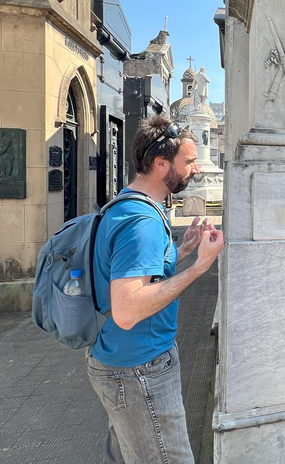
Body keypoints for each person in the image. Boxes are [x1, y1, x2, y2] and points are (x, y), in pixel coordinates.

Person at [86, 114, 224, 464]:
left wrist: (180, 253)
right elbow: (128, 309)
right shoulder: (142, 221)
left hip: (124, 362)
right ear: (161, 164)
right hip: (139, 369)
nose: (195, 169)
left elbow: (136, 274)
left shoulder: (129, 203)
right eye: (188, 161)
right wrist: (199, 268)